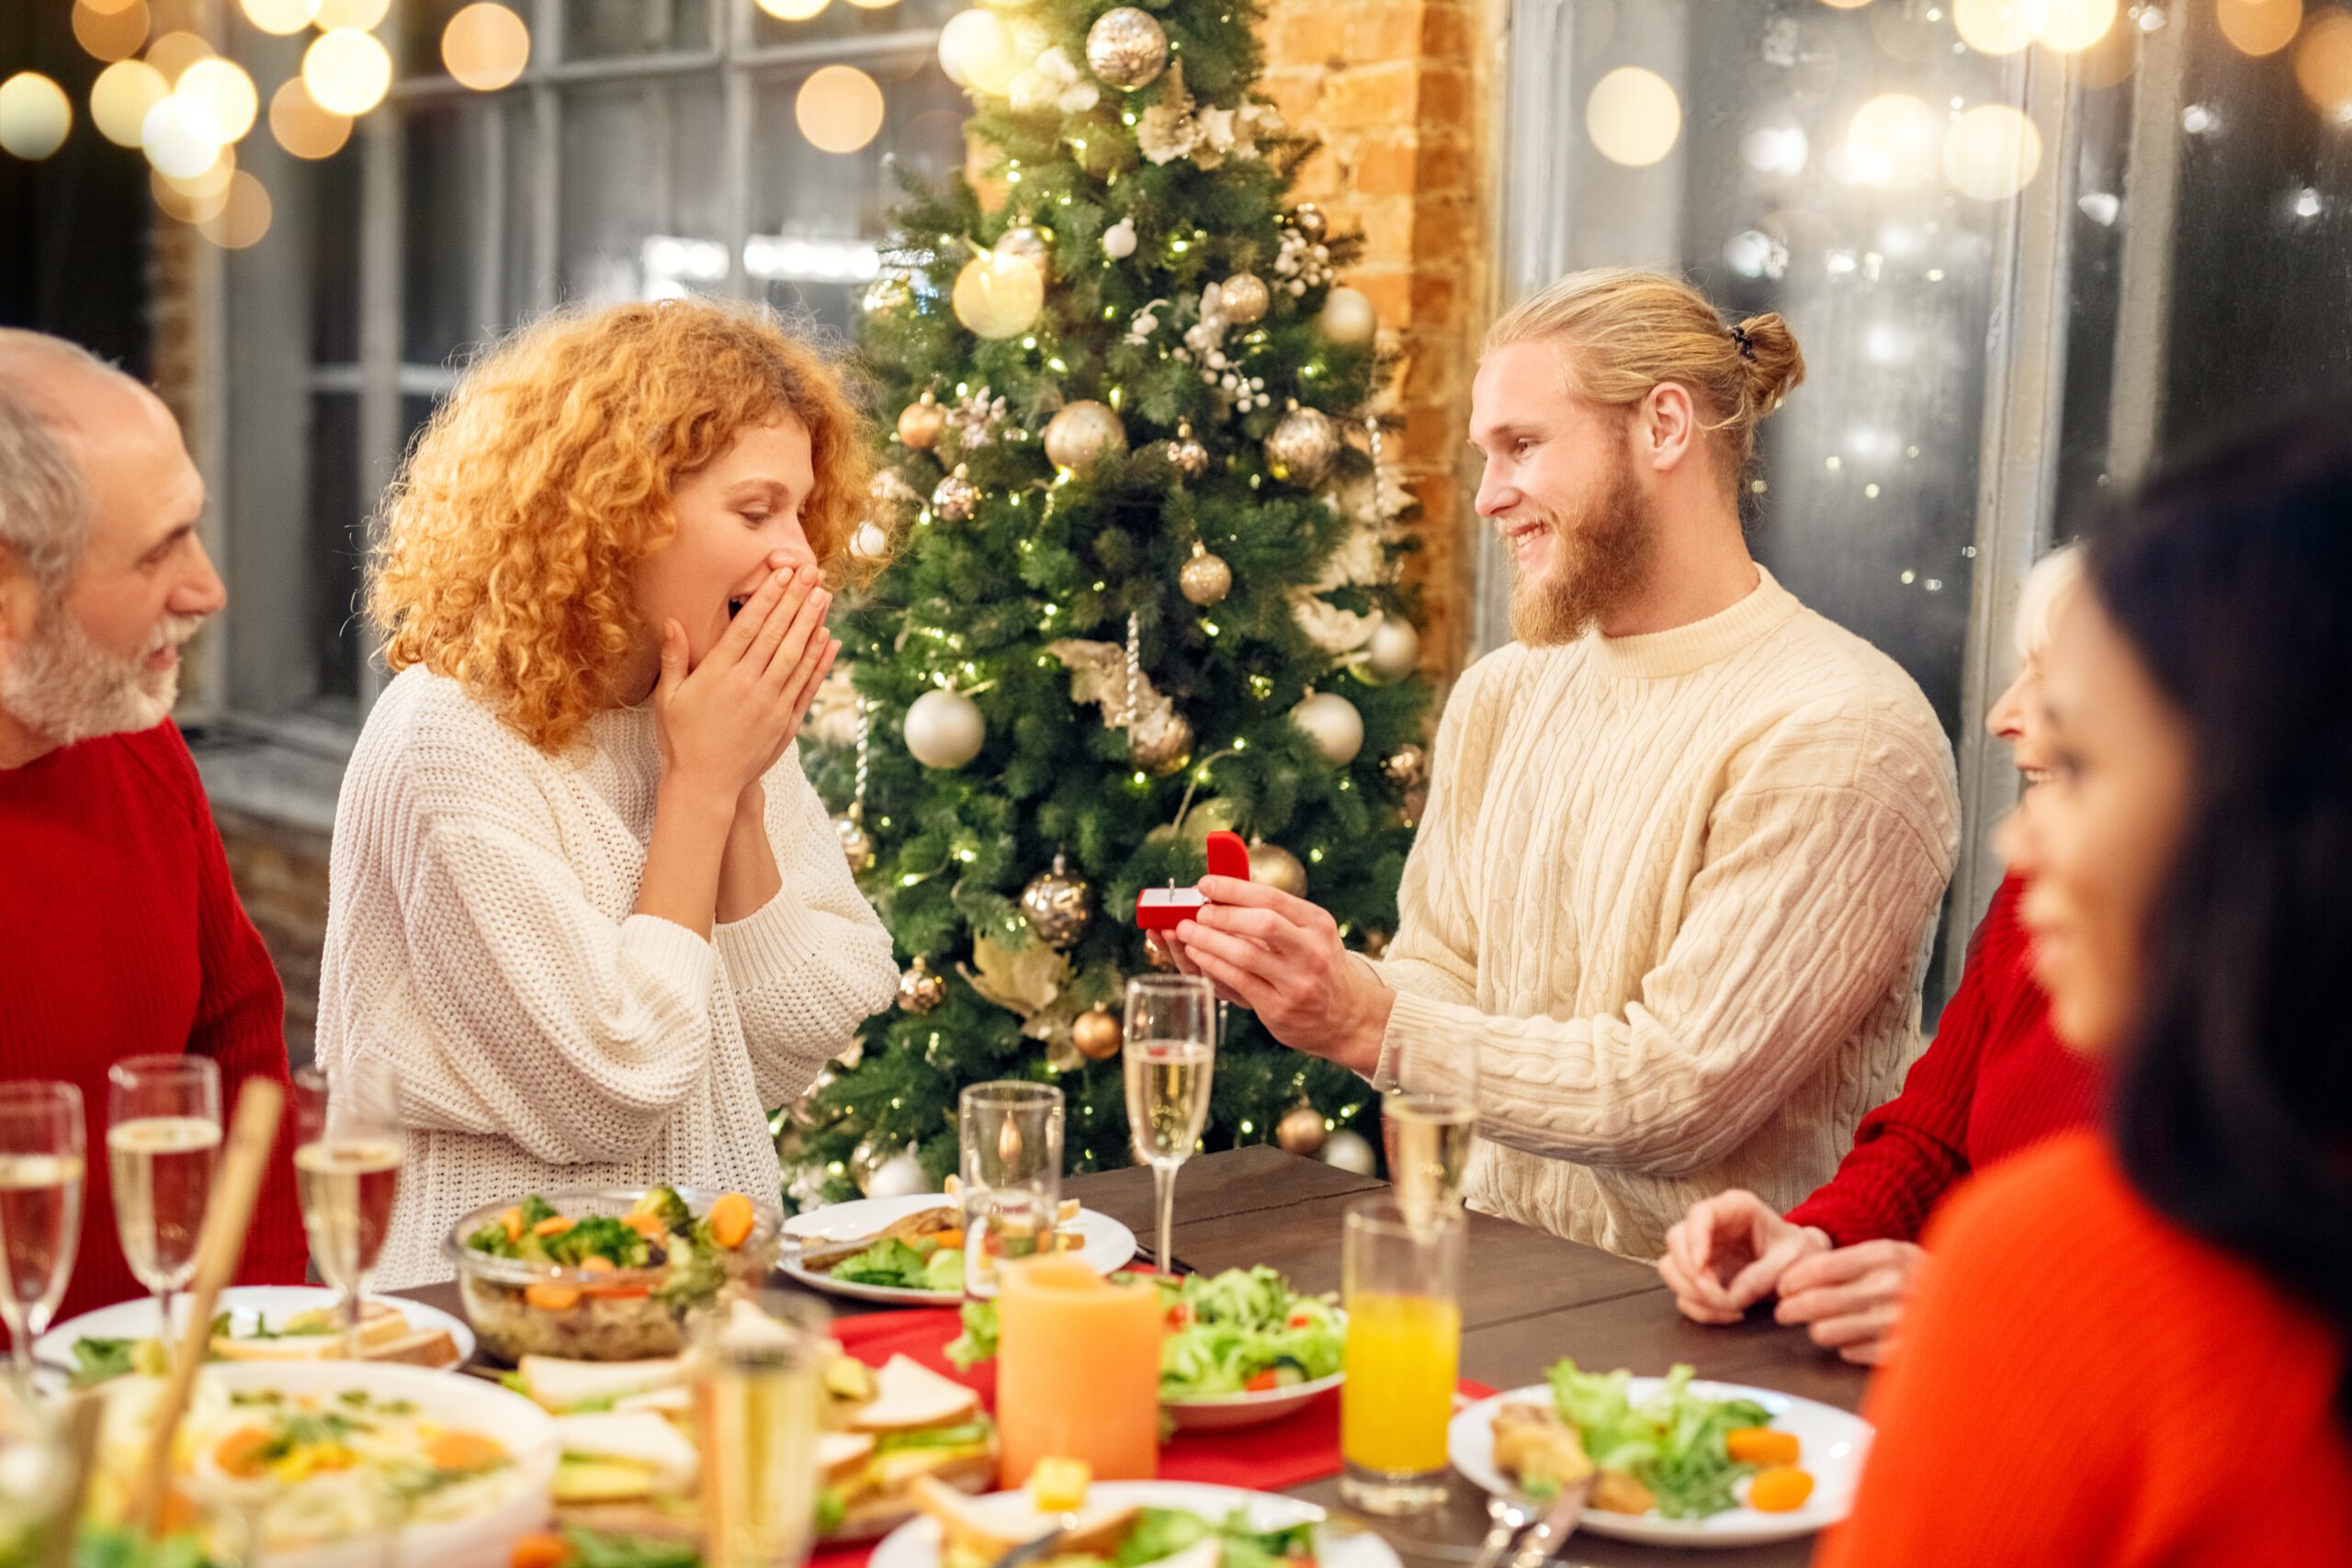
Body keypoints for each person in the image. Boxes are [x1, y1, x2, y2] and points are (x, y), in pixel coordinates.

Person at [1163, 269, 1960, 1259]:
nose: (1491, 496)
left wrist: (1366, 1018)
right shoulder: (1506, 693)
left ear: (1663, 427)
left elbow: (1680, 1093)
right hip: (1493, 1284)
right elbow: (1438, 977)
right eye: (1485, 457)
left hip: (1726, 1353)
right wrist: (1307, 978)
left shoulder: (1843, 731)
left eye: (1523, 447)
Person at [1819, 414, 2352, 1565]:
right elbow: (1927, 1133)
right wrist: (1817, 1244)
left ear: (2257, 813)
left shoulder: (2065, 1262)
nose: (2018, 836)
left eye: (2082, 764)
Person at [323, 299, 899, 1289]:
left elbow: (795, 1040)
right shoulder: (450, 736)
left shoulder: (711, 711)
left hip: (706, 1297)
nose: (801, 557)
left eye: (803, 513)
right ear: (616, 514)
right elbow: (608, 1086)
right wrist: (702, 789)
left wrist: (743, 792)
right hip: (483, 1311)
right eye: (757, 512)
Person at [1658, 545, 2104, 1364]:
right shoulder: (2037, 891)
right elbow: (1933, 1142)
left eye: (2051, 681)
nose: (2005, 713)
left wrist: (1983, 1304)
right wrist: (1815, 1239)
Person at [0, 330, 308, 1325]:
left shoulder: (134, 742)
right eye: (158, 550)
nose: (208, 588)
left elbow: (237, 1042)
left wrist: (249, 1345)